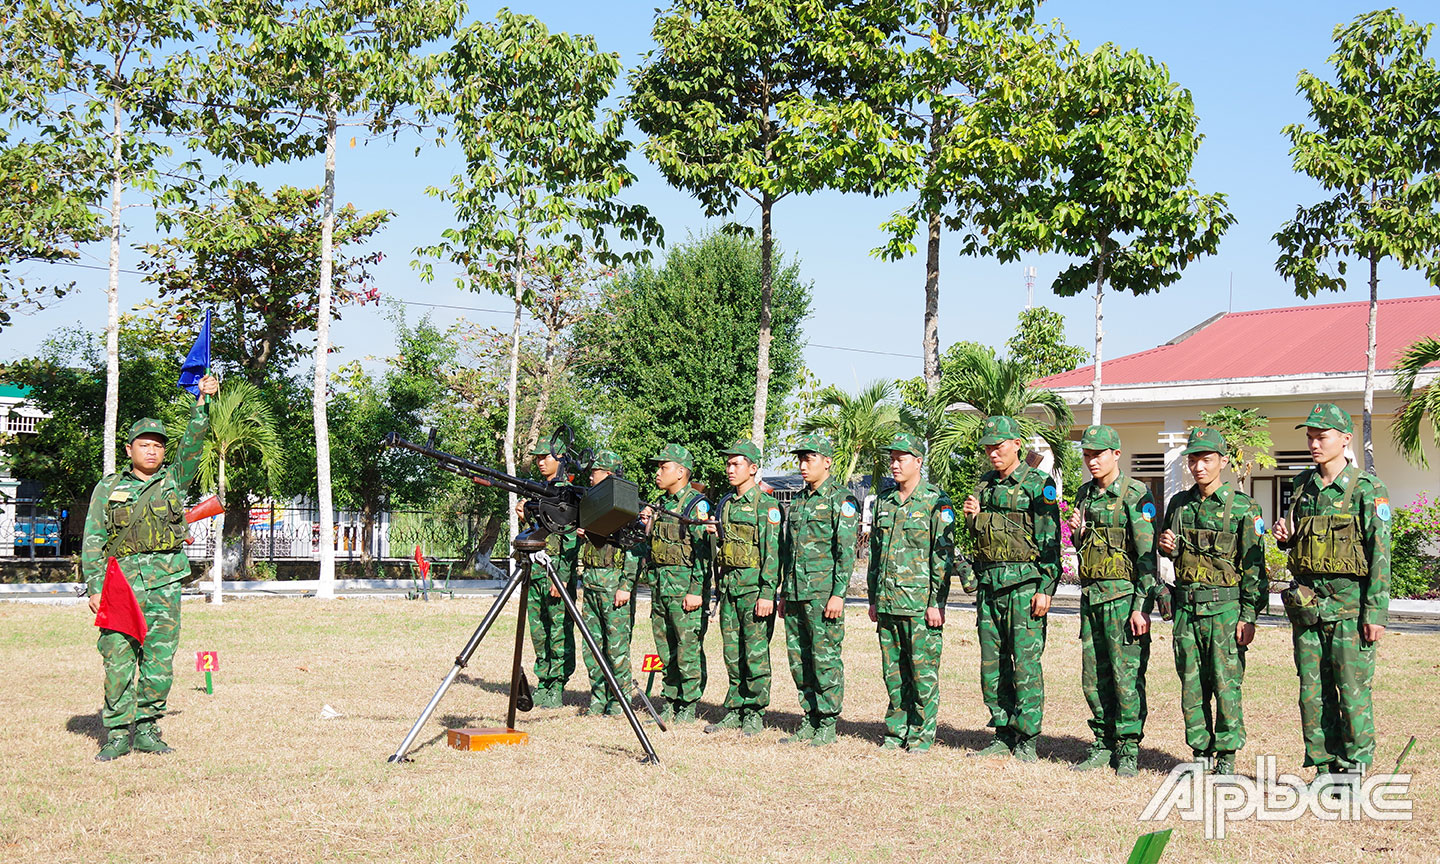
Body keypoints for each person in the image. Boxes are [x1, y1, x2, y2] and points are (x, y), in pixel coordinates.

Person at [83, 374, 218, 762]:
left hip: (164, 583)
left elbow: (192, 444)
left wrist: (202, 405)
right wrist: (94, 586)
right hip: (120, 584)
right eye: (144, 445)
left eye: (158, 446)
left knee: (159, 658)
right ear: (130, 450)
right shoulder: (108, 489)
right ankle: (115, 733)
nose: (152, 451)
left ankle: (146, 728)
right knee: (118, 658)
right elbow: (93, 539)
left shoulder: (173, 481)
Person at [1272, 403, 1390, 785]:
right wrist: (1287, 542)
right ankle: (1324, 770)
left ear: (1345, 439)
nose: (1313, 443)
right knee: (1312, 692)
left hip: (1350, 610)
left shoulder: (1367, 490)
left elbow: (1379, 555)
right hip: (1309, 609)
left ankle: (1353, 770)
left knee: (1352, 692)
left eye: (1321, 436)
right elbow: (1305, 547)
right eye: (1309, 436)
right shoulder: (1303, 486)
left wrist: (1376, 613)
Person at [1157, 427, 1266, 777]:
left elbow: (1254, 569)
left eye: (1206, 459)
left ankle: (1227, 756)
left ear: (1222, 462)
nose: (1199, 467)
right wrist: (1166, 548)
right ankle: (1200, 752)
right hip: (1187, 609)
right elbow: (1168, 549)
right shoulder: (1179, 504)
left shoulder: (1243, 508)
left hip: (1225, 610)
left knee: (1225, 683)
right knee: (1192, 684)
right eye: (1193, 459)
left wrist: (1248, 615)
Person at [963, 415, 1059, 762]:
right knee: (993, 664)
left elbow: (1050, 541)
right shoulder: (985, 485)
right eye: (988, 447)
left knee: (1025, 665)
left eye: (999, 446)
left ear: (1017, 444)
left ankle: (1027, 738)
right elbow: (981, 537)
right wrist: (972, 519)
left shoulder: (1038, 484)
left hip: (1024, 586)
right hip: (990, 586)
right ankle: (1002, 732)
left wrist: (1046, 587)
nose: (992, 453)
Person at [1068, 425, 1159, 777]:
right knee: (1093, 677)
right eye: (1087, 454)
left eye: (1098, 454)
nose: (1092, 461)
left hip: (1123, 600)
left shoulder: (1136, 496)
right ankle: (1102, 742)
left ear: (1116, 455)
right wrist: (1076, 534)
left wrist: (1141, 607)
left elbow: (1146, 558)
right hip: (1092, 597)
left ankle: (1128, 747)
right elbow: (1086, 548)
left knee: (1126, 676)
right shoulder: (1084, 495)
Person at [867, 431, 955, 754]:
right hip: (889, 601)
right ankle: (896, 730)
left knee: (922, 673)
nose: (894, 464)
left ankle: (920, 734)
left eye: (901, 458)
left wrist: (937, 603)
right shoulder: (884, 502)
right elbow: (876, 553)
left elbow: (942, 557)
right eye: (891, 458)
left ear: (918, 461)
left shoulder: (936, 502)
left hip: (919, 605)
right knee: (893, 673)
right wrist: (874, 597)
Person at [618, 443, 710, 723]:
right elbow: (649, 546)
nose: (658, 471)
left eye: (664, 466)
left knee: (687, 647)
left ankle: (688, 705)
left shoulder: (696, 504)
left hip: (684, 590)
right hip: (660, 589)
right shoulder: (660, 505)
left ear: (681, 471)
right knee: (665, 647)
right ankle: (670, 700)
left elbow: (704, 554)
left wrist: (696, 591)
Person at [778, 433, 858, 746]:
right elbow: (789, 550)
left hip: (824, 594)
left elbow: (846, 551)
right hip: (796, 592)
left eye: (809, 459)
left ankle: (827, 721)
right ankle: (808, 717)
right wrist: (784, 591)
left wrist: (838, 593)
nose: (802, 465)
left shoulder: (842, 499)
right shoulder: (797, 500)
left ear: (827, 462)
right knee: (799, 658)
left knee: (825, 658)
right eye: (800, 459)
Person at [704, 439, 781, 736]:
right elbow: (723, 549)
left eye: (736, 464)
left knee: (755, 653)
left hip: (753, 590)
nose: (730, 469)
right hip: (730, 589)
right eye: (728, 464)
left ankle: (755, 712)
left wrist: (766, 593)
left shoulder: (766, 505)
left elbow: (773, 553)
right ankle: (734, 709)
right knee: (732, 653)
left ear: (753, 468)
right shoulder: (726, 504)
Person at [577, 449, 642, 716]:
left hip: (613, 582)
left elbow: (634, 550)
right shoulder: (593, 505)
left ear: (609, 474)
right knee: (591, 644)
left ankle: (620, 699)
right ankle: (598, 696)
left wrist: (625, 585)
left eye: (595, 472)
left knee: (616, 646)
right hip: (591, 581)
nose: (591, 477)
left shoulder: (625, 508)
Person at [518, 441, 580, 708]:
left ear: (561, 458)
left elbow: (571, 539)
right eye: (538, 458)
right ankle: (543, 681)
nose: (540, 462)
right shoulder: (541, 490)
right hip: (536, 571)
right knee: (538, 630)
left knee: (558, 630)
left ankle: (557, 685)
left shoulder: (569, 493)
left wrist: (563, 576)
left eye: (545, 457)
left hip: (556, 571)